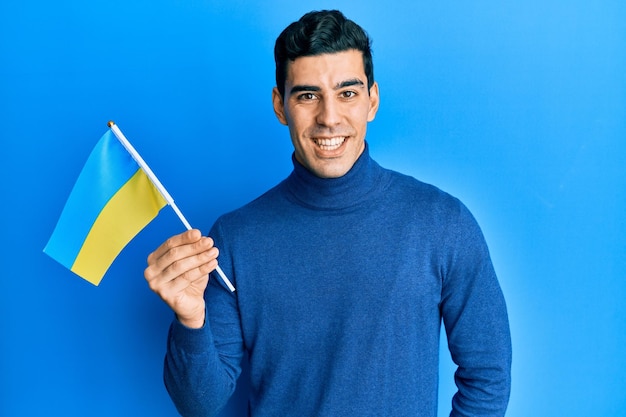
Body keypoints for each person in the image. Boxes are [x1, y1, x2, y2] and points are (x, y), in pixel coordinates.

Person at [144, 9, 511, 417]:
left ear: (372, 100)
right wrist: (190, 318)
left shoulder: (443, 223)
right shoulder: (235, 238)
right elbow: (200, 403)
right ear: (280, 106)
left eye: (347, 93)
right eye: (307, 95)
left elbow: (488, 375)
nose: (329, 117)